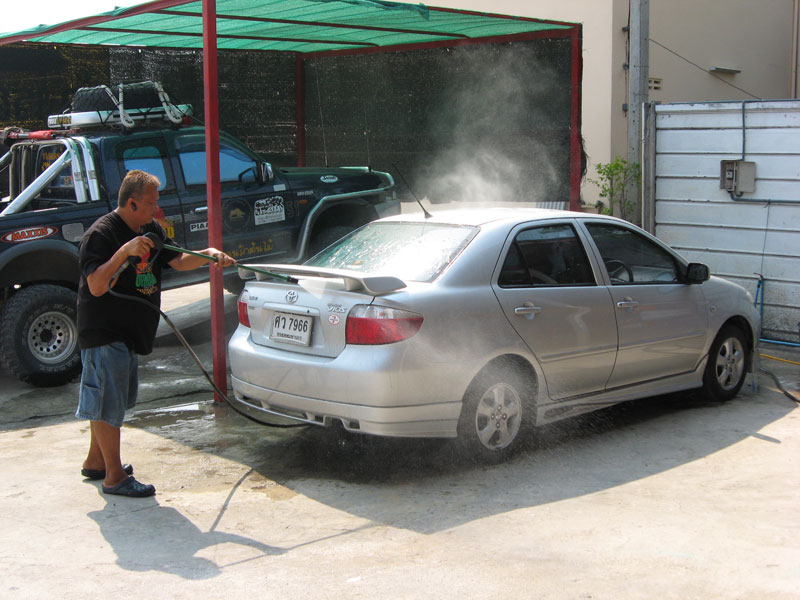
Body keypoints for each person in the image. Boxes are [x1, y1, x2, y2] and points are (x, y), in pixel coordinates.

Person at [76, 169, 236, 498]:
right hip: (104, 330)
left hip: (130, 330)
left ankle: (96, 461)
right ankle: (114, 477)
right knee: (109, 404)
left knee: (108, 398)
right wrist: (125, 251)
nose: (156, 209)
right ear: (132, 203)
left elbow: (178, 261)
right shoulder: (102, 234)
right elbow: (96, 285)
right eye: (151, 204)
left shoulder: (152, 230)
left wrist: (209, 255)